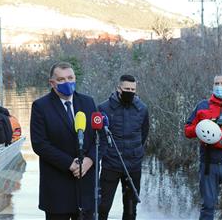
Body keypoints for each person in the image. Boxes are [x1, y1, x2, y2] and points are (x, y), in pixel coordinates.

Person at [30, 62, 97, 219]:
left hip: (86, 188)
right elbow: (40, 144)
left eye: (70, 78)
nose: (67, 83)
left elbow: (99, 138)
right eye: (61, 79)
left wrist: (90, 160)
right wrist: (69, 163)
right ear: (52, 83)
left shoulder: (88, 102)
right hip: (57, 190)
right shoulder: (40, 106)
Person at [98, 74, 149, 220]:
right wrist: (108, 153)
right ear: (118, 88)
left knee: (131, 210)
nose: (130, 91)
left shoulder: (142, 109)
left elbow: (144, 134)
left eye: (133, 89)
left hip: (133, 166)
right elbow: (99, 137)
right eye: (127, 88)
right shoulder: (103, 108)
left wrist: (135, 152)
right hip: (110, 164)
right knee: (102, 207)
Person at [184, 73, 222, 220]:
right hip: (208, 165)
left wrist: (221, 136)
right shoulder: (202, 106)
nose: (220, 87)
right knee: (208, 206)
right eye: (217, 83)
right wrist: (201, 129)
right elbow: (188, 131)